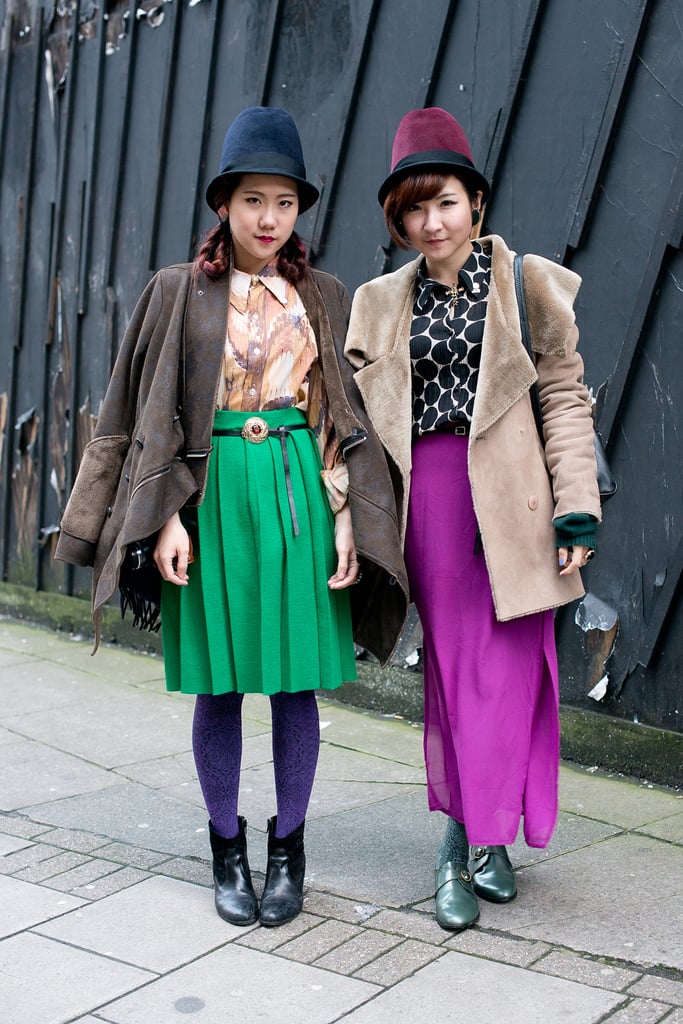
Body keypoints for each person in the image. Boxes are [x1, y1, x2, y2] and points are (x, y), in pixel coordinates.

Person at [54, 106, 407, 929]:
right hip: (209, 503)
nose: (268, 217)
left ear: (297, 211)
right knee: (218, 689)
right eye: (253, 199)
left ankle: (289, 850)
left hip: (295, 495)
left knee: (294, 685)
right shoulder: (179, 291)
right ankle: (225, 849)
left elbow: (340, 417)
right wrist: (167, 514)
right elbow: (145, 408)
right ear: (224, 204)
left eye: (283, 202)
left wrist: (350, 517)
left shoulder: (321, 294)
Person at [344, 108, 601, 932]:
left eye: (444, 201)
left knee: (515, 672)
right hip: (436, 499)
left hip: (520, 498)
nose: (431, 222)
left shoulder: (527, 284)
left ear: (475, 202)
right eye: (413, 209)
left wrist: (576, 509)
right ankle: (458, 844)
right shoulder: (380, 303)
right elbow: (353, 420)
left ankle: (492, 840)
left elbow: (562, 399)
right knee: (458, 676)